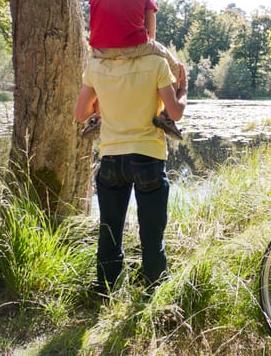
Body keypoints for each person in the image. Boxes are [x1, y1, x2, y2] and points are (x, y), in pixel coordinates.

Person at [74, 38, 188, 293]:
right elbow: (176, 113)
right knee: (151, 236)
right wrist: (184, 90)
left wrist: (101, 101)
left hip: (112, 158)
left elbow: (81, 114)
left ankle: (105, 292)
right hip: (148, 156)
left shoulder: (96, 66)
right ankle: (154, 295)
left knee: (109, 232)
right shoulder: (157, 63)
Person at [83, 0, 184, 140]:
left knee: (96, 82)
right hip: (135, 46)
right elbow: (151, 34)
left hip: (100, 50)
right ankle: (167, 116)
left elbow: (95, 19)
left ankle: (98, 118)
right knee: (177, 67)